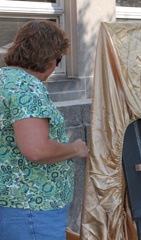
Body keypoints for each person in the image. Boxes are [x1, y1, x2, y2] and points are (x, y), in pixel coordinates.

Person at [0, 20, 88, 240]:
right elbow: (37, 150)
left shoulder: (4, 79)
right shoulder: (27, 87)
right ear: (49, 58)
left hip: (10, 204)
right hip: (32, 208)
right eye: (58, 60)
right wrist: (75, 148)